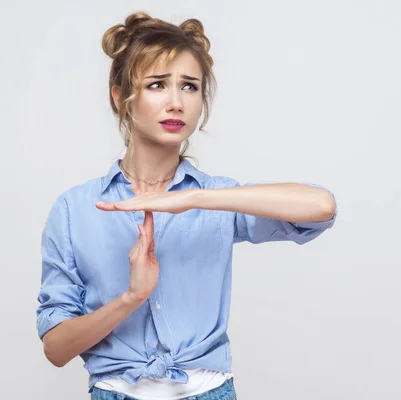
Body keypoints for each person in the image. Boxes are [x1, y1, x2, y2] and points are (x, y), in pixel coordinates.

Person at [36, 11, 337, 400]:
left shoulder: (217, 198)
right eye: (157, 84)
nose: (176, 102)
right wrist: (131, 297)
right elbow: (56, 349)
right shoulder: (74, 210)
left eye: (190, 86)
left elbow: (321, 206)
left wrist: (194, 197)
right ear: (120, 96)